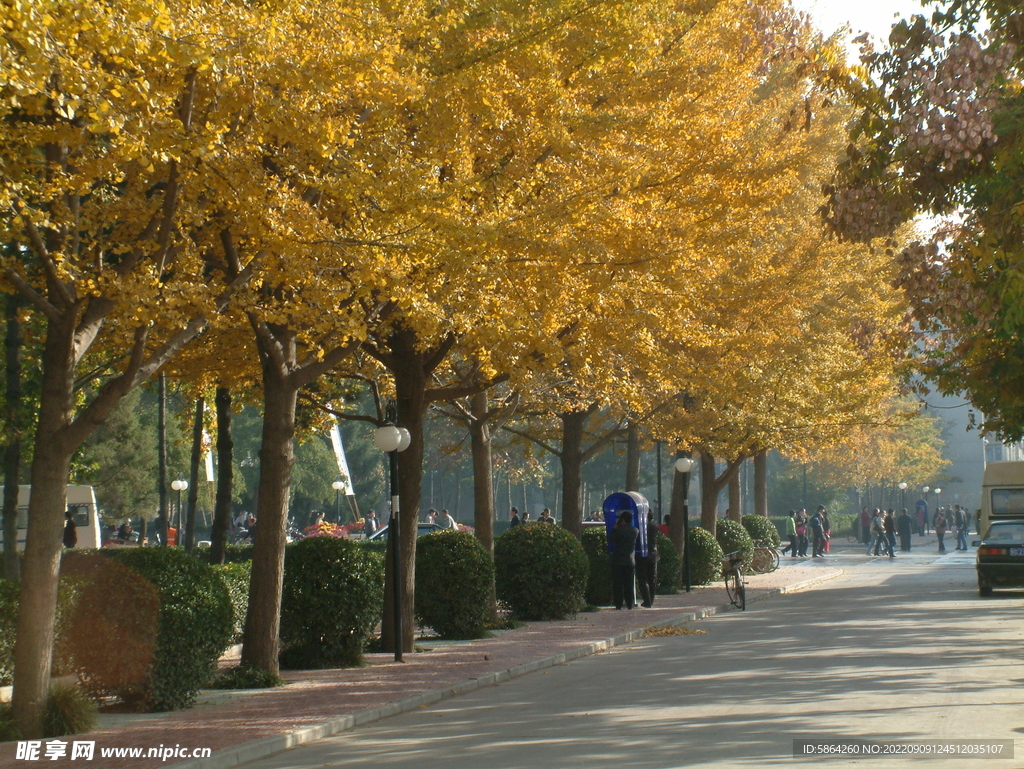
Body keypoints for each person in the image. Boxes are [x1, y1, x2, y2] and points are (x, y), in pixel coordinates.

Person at [609, 511, 639, 610]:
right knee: (629, 583)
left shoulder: (618, 530)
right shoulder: (635, 530)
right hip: (630, 560)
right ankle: (629, 604)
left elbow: (612, 540)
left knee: (618, 584)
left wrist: (614, 528)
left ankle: (618, 604)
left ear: (623, 519)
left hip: (618, 560)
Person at [635, 512, 659, 608]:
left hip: (642, 555)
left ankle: (647, 600)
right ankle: (651, 600)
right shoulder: (654, 526)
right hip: (653, 555)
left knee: (642, 579)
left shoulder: (640, 526)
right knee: (651, 579)